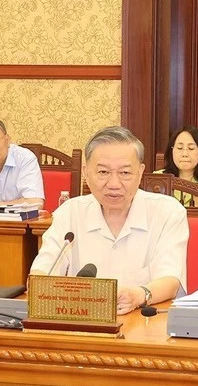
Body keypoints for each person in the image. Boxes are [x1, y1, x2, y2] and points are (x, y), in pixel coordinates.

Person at [30, 126, 189, 315]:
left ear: (140, 172)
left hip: (145, 325)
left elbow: (171, 280)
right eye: (103, 172)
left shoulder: (167, 212)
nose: (114, 184)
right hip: (82, 326)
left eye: (125, 173)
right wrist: (37, 283)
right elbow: (40, 275)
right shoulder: (70, 212)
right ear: (86, 173)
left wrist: (138, 295)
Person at [156, 125, 198, 205]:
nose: (185, 154)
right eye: (179, 148)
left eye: (191, 148)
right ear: (171, 151)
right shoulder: (158, 177)